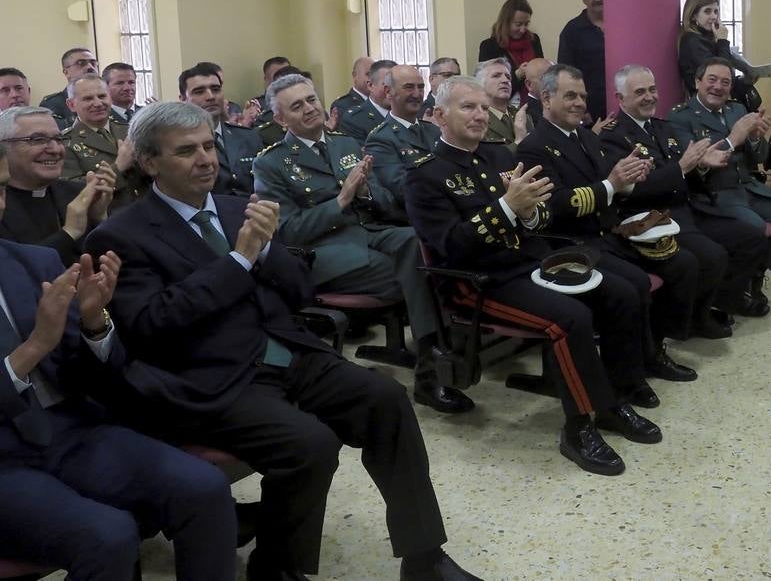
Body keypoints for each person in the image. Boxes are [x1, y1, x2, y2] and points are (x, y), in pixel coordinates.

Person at [85, 101, 481, 581]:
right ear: (149, 163)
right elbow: (150, 324)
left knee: (386, 400)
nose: (206, 159)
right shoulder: (121, 235)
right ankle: (275, 567)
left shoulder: (237, 208)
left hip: (287, 350)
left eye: (209, 145)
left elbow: (299, 292)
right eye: (186, 151)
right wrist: (238, 260)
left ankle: (424, 557)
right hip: (211, 376)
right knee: (308, 445)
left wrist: (270, 250)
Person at [0, 148, 239, 581]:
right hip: (5, 461)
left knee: (204, 486)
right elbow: (38, 349)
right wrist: (34, 346)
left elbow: (90, 376)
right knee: (108, 535)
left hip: (69, 433)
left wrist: (94, 324)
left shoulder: (33, 262)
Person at [404, 75, 660, 476]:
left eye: (483, 107)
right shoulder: (425, 176)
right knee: (569, 319)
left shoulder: (499, 157)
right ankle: (579, 426)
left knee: (622, 293)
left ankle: (616, 399)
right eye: (467, 107)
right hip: (478, 281)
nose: (479, 115)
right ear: (438, 116)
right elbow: (452, 245)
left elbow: (538, 218)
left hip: (529, 263)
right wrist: (508, 207)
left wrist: (524, 212)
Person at [251, 74, 473, 415]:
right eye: (297, 106)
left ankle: (433, 364)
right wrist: (341, 200)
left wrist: (367, 193)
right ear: (280, 119)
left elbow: (383, 200)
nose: (310, 109)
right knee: (416, 274)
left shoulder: (345, 143)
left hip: (369, 232)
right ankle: (434, 370)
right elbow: (288, 232)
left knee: (423, 248)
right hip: (324, 252)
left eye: (311, 100)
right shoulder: (271, 162)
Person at [517, 64, 702, 374]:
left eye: (583, 96)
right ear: (546, 99)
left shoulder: (587, 139)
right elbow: (559, 204)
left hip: (608, 232)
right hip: (570, 243)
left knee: (681, 263)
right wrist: (613, 184)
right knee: (633, 286)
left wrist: (629, 180)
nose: (579, 103)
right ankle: (627, 374)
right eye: (570, 96)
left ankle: (653, 350)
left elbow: (612, 186)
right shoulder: (534, 148)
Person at [601, 63, 769, 337]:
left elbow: (687, 171)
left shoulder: (662, 127)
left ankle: (717, 303)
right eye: (640, 92)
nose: (649, 96)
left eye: (653, 90)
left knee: (752, 238)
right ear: (620, 99)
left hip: (687, 208)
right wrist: (683, 166)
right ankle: (690, 321)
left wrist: (702, 165)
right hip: (652, 219)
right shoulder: (614, 137)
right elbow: (634, 190)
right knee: (711, 256)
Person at [668, 58, 771, 314]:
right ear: (697, 82)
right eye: (712, 80)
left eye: (725, 82)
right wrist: (733, 138)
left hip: (748, 187)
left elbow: (757, 158)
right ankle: (742, 286)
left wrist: (756, 137)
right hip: (715, 193)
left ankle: (757, 271)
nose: (718, 87)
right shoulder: (680, 118)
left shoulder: (736, 109)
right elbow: (693, 167)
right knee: (754, 229)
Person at [0, 107, 116, 264]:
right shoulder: (1, 204)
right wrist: (69, 232)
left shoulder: (78, 194)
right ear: (4, 147)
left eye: (59, 139)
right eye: (37, 140)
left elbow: (108, 262)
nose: (55, 149)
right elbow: (13, 272)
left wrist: (98, 218)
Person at [60, 75, 146, 212]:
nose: (98, 103)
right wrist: (118, 166)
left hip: (146, 210)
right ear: (71, 105)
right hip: (107, 219)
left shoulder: (130, 130)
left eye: (102, 96)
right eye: (88, 98)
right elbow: (73, 191)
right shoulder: (65, 143)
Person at [179, 62, 264, 197]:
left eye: (216, 89)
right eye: (199, 91)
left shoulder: (248, 137)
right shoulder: (180, 144)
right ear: (183, 100)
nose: (211, 96)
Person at [365, 64, 440, 210]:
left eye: (421, 87)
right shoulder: (380, 139)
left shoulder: (434, 130)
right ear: (388, 91)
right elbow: (403, 189)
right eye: (409, 87)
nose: (417, 94)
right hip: (417, 215)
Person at [676, 0, 757, 99]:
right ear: (693, 16)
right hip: (706, 101)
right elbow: (720, 72)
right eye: (707, 11)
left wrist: (747, 79)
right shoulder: (692, 41)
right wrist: (723, 41)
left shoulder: (705, 38)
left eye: (716, 11)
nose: (713, 16)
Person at [557, 0, 608, 121]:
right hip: (589, 108)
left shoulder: (621, 24)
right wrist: (580, 109)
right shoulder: (572, 30)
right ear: (584, 0)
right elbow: (566, 74)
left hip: (622, 103)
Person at [478, 0, 544, 101]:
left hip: (535, 102)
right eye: (518, 24)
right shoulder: (489, 47)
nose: (523, 29)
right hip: (505, 105)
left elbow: (543, 74)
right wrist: (517, 75)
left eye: (526, 24)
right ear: (506, 22)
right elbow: (488, 86)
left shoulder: (534, 40)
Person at [474, 58, 531, 151]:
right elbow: (488, 160)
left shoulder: (522, 115)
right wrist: (519, 141)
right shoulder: (477, 118)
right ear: (480, 85)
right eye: (496, 76)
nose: (505, 80)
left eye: (508, 77)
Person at [39, 47, 100, 128]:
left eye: (93, 63)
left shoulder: (109, 98)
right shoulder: (52, 104)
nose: (90, 67)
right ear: (66, 72)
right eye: (81, 63)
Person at [331, 56, 381, 137]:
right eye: (368, 74)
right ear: (355, 76)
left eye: (375, 75)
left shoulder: (381, 101)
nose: (372, 79)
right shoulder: (343, 105)